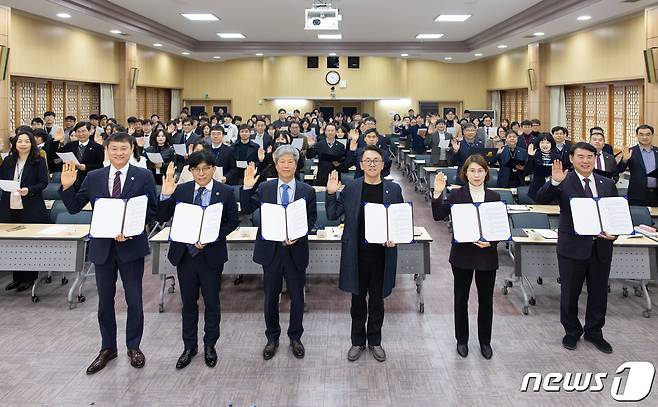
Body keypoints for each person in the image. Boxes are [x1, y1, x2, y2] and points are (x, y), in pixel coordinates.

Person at [59, 132, 157, 374]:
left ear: (132, 149)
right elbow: (73, 207)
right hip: (103, 247)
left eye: (124, 149)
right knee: (105, 301)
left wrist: (130, 228)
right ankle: (107, 347)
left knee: (134, 299)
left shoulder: (143, 176)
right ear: (107, 150)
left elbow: (152, 210)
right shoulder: (94, 177)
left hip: (131, 246)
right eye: (114, 149)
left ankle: (134, 346)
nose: (119, 153)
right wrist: (67, 187)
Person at [157, 153, 240, 369]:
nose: (201, 173)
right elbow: (162, 216)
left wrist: (212, 236)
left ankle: (210, 345)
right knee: (188, 304)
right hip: (185, 255)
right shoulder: (182, 190)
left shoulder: (226, 192)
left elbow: (233, 222)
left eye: (205, 168)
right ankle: (189, 346)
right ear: (190, 171)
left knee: (212, 303)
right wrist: (165, 196)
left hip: (211, 256)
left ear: (213, 169)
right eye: (196, 169)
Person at [534, 142, 618, 354]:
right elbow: (539, 198)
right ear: (571, 159)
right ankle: (571, 331)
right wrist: (554, 181)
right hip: (572, 247)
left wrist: (614, 231)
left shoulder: (606, 182)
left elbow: (614, 213)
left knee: (599, 292)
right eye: (581, 156)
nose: (585, 161)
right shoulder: (564, 180)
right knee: (570, 292)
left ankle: (594, 332)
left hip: (601, 247)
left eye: (590, 157)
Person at [326, 145, 403, 363]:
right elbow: (332, 215)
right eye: (367, 160)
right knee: (358, 301)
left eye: (375, 160)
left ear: (382, 164)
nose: (371, 164)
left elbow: (399, 220)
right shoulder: (351, 188)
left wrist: (394, 236)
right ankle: (357, 341)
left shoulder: (393, 190)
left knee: (377, 301)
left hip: (382, 255)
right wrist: (331, 193)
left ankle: (375, 341)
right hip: (357, 254)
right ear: (361, 164)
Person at [240, 145, 317, 361]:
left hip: (296, 250)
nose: (286, 165)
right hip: (271, 251)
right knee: (270, 297)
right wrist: (246, 188)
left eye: (290, 162)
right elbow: (247, 209)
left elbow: (311, 219)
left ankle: (295, 337)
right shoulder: (265, 187)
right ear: (275, 164)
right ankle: (272, 338)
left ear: (296, 164)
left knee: (297, 298)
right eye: (282, 162)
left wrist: (299, 234)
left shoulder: (306, 190)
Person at [431, 155, 500, 359]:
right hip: (463, 255)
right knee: (461, 299)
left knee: (486, 300)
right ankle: (462, 340)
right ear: (465, 173)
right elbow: (438, 215)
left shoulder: (494, 197)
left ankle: (485, 341)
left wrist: (492, 241)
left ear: (486, 173)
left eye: (480, 171)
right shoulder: (456, 195)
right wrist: (437, 193)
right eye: (472, 171)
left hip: (487, 254)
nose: (476, 175)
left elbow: (499, 227)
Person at [0, 129, 49, 292]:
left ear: (32, 143)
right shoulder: (8, 160)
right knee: (14, 242)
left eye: (27, 141)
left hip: (31, 205)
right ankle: (17, 277)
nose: (23, 144)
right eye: (20, 141)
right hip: (10, 204)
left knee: (28, 242)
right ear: (15, 143)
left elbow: (43, 183)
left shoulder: (38, 160)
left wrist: (29, 190)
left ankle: (29, 278)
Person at [52, 121, 104, 187]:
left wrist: (86, 167)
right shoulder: (70, 145)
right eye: (78, 131)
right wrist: (56, 141)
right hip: (70, 182)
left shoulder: (97, 147)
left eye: (83, 131)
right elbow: (55, 157)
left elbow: (100, 166)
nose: (81, 134)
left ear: (89, 132)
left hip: (89, 182)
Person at [617, 125, 658, 206]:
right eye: (641, 134)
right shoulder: (631, 151)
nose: (644, 137)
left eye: (648, 134)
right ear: (637, 135)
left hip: (656, 195)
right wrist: (625, 160)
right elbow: (620, 170)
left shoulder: (657, 151)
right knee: (638, 217)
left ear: (652, 135)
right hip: (637, 194)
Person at [525, 133, 556, 200]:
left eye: (547, 143)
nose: (545, 145)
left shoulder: (556, 157)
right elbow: (527, 171)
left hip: (553, 188)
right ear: (538, 144)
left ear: (551, 144)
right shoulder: (535, 155)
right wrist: (530, 157)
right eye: (542, 143)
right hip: (537, 188)